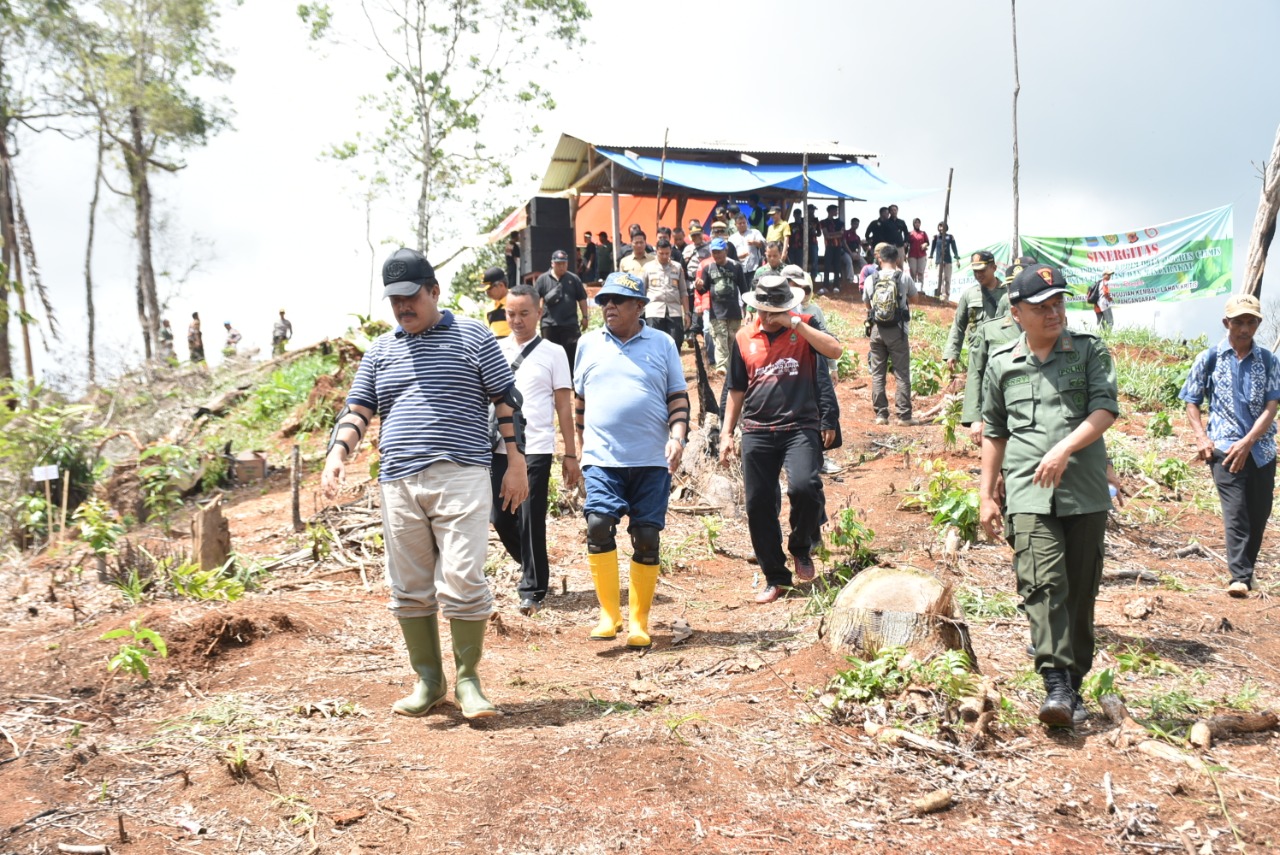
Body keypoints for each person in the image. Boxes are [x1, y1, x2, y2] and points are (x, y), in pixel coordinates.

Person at [322, 248, 529, 720]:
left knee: (462, 576)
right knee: (411, 585)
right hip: (398, 481)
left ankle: (469, 681)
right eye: (394, 300)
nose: (402, 308)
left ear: (434, 291)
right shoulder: (381, 350)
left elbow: (506, 401)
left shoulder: (474, 336)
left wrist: (515, 462)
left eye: (411, 297)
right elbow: (358, 409)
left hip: (462, 473)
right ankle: (430, 680)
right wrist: (338, 453)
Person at [979, 263, 1120, 728]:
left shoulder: (1087, 350)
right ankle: (1055, 682)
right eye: (1042, 306)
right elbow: (994, 434)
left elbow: (1104, 409)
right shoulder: (1002, 364)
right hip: (1027, 492)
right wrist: (986, 496)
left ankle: (1075, 683)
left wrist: (1064, 448)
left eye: (1059, 302)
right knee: (1042, 585)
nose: (1054, 311)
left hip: (1084, 490)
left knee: (1080, 590)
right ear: (1017, 312)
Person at [574, 272, 689, 649]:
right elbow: (580, 403)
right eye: (605, 300)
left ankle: (639, 622)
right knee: (598, 525)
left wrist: (678, 436)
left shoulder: (663, 343)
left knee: (646, 536)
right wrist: (579, 449)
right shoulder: (587, 344)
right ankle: (610, 615)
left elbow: (677, 396)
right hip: (602, 458)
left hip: (651, 460)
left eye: (618, 300)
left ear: (639, 306)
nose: (608, 306)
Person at [720, 275, 844, 603]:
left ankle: (801, 547)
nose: (767, 316)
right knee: (758, 505)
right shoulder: (744, 337)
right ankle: (775, 576)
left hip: (799, 427)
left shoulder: (805, 326)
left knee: (804, 487)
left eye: (773, 310)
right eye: (762, 309)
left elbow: (836, 350)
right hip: (757, 431)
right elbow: (736, 388)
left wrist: (796, 325)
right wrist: (726, 432)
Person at [1178, 294, 1280, 598]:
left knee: (1259, 512)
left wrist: (1249, 442)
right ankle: (1239, 576)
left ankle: (1246, 571)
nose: (1245, 328)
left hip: (1260, 450)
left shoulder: (1269, 360)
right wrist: (1201, 436)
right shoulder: (1209, 358)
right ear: (1227, 323)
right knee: (1236, 512)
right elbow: (1191, 400)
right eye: (1239, 322)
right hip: (1223, 447)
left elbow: (1271, 405)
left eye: (1251, 322)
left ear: (1258, 324)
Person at [492, 284, 580, 615]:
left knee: (530, 518)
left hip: (537, 447)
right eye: (511, 314)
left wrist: (569, 453)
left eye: (524, 313)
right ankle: (533, 563)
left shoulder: (554, 352)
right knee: (499, 516)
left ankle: (533, 587)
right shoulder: (496, 349)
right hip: (499, 446)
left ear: (539, 313)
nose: (517, 320)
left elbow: (563, 406)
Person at [961, 257, 1037, 444]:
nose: (1017, 293)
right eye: (1012, 288)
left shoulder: (1051, 329)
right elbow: (976, 373)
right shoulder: (990, 330)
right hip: (1000, 414)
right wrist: (975, 418)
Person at [864, 245, 919, 426]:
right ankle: (904, 416)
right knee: (902, 373)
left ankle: (881, 415)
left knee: (878, 373)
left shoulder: (871, 278)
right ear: (897, 259)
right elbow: (914, 299)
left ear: (879, 259)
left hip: (877, 330)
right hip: (898, 330)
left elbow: (867, 304)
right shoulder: (903, 277)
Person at [943, 250, 1007, 373]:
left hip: (1002, 355)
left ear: (994, 268)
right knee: (975, 391)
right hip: (977, 357)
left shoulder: (1007, 293)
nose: (978, 274)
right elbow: (958, 326)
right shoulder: (969, 295)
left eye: (982, 270)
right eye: (975, 271)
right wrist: (952, 353)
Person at [694, 237, 747, 375]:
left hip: (734, 311)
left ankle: (733, 369)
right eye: (714, 252)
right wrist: (698, 286)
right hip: (717, 312)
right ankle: (722, 367)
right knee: (720, 339)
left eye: (719, 252)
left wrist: (747, 309)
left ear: (726, 251)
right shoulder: (708, 268)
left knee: (732, 339)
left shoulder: (736, 267)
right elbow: (703, 289)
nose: (716, 255)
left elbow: (744, 288)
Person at [534, 249, 590, 374]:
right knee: (549, 358)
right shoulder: (542, 279)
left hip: (569, 324)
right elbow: (535, 301)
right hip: (549, 325)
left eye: (564, 263)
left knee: (573, 356)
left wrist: (585, 317)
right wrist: (535, 320)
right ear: (552, 263)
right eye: (559, 263)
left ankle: (573, 386)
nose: (562, 266)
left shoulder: (573, 279)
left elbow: (582, 299)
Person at [642, 237, 689, 346]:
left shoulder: (677, 267)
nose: (664, 256)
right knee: (654, 343)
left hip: (674, 310)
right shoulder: (648, 268)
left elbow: (683, 292)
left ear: (670, 252)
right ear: (656, 252)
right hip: (654, 310)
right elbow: (642, 291)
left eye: (667, 253)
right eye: (661, 253)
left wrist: (687, 313)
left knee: (676, 341)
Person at [729, 213, 765, 281]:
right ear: (735, 225)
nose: (742, 225)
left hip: (754, 268)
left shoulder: (754, 232)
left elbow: (763, 244)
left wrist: (755, 242)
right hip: (739, 269)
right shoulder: (732, 238)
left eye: (744, 222)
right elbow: (729, 256)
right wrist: (739, 257)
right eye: (740, 223)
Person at [930, 222, 960, 300]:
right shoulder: (936, 237)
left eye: (943, 226)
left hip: (948, 261)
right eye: (940, 226)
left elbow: (954, 248)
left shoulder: (950, 237)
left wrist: (957, 259)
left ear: (946, 228)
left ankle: (947, 295)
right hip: (939, 261)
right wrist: (930, 258)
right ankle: (942, 295)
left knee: (948, 279)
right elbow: (932, 248)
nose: (941, 228)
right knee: (940, 278)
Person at [482, 267, 510, 339]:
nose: (487, 293)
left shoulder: (517, 301)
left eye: (489, 289)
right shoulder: (489, 309)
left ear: (501, 285)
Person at [906, 218, 930, 286]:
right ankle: (913, 289)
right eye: (915, 222)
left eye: (918, 222)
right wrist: (905, 254)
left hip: (922, 255)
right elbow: (906, 244)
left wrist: (925, 244)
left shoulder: (923, 233)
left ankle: (920, 289)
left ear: (920, 224)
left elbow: (927, 242)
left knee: (921, 272)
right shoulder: (910, 233)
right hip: (912, 255)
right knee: (913, 272)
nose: (917, 224)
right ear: (913, 224)